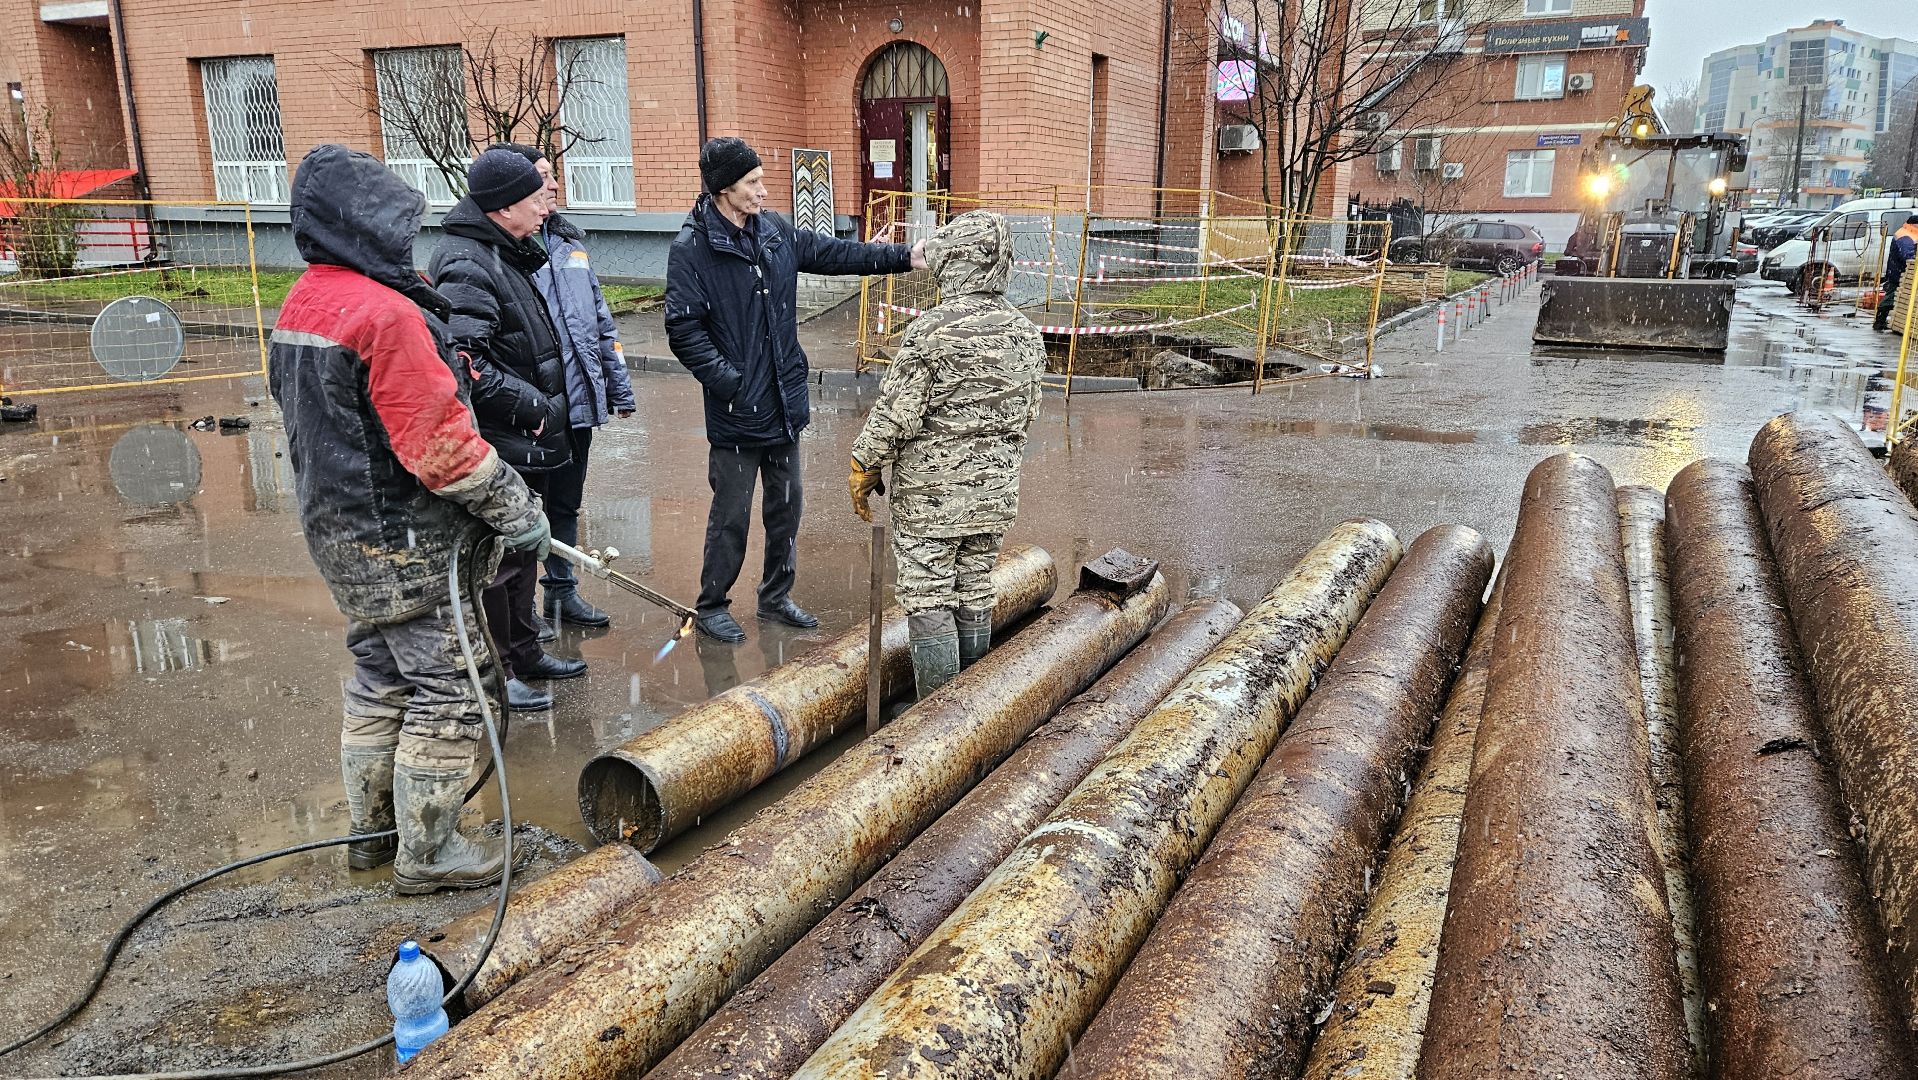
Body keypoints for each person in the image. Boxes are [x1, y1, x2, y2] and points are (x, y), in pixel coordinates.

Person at [267, 145, 548, 894]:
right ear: (364, 225)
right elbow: (443, 447)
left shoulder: (305, 303)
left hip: (340, 536)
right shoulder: (384, 316)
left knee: (380, 678)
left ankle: (372, 833)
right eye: (396, 225)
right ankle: (431, 851)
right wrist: (516, 510)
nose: (405, 239)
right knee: (455, 688)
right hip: (406, 544)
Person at [666, 137, 928, 643]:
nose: (764, 191)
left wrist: (904, 257)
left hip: (784, 401)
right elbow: (684, 331)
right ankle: (713, 604)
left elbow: (833, 253)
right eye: (752, 183)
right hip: (738, 411)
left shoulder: (775, 231)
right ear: (724, 190)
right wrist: (731, 383)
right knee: (731, 516)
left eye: (762, 179)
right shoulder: (693, 249)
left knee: (787, 507)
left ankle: (775, 597)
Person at [848, 210, 1045, 697]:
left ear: (953, 261)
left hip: (929, 499)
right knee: (975, 584)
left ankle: (936, 712)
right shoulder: (1026, 333)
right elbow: (1027, 413)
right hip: (993, 495)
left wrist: (863, 464)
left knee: (927, 592)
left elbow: (896, 413)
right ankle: (970, 708)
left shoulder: (932, 330)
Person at [431, 148, 583, 710]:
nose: (547, 205)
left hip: (525, 435)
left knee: (523, 548)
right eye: (535, 197)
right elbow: (465, 360)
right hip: (503, 438)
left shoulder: (504, 252)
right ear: (503, 207)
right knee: (498, 559)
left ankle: (526, 652)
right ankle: (498, 673)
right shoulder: (470, 262)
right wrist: (536, 407)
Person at [489, 143, 637, 635]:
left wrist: (617, 388)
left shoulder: (569, 243)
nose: (553, 185)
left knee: (565, 505)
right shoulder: (506, 252)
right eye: (544, 176)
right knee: (523, 511)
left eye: (553, 176)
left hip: (577, 402)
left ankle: (561, 591)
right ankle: (521, 611)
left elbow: (599, 321)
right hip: (535, 410)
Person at [1874, 213, 1918, 333]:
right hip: (1899, 273)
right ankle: (1879, 321)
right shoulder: (1906, 236)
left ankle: (1881, 321)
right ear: (1914, 224)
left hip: (1899, 271)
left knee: (1896, 297)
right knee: (1892, 297)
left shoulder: (1909, 233)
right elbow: (1907, 255)